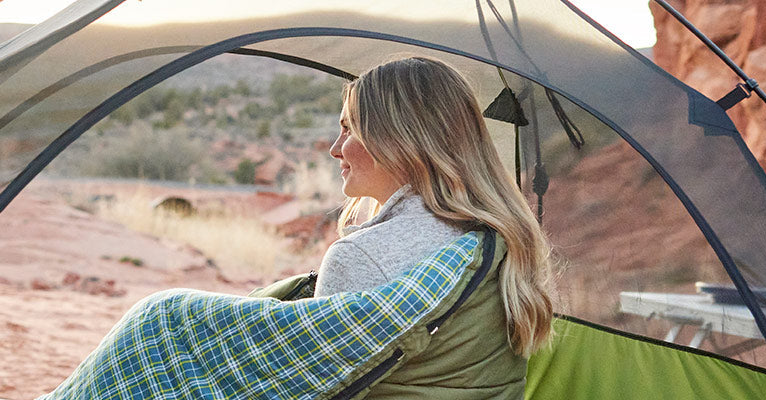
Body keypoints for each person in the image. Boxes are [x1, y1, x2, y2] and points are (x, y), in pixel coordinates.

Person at [41, 56, 555, 399]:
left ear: (401, 139)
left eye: (349, 129)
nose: (335, 150)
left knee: (159, 329)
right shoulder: (496, 238)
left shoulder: (366, 258)